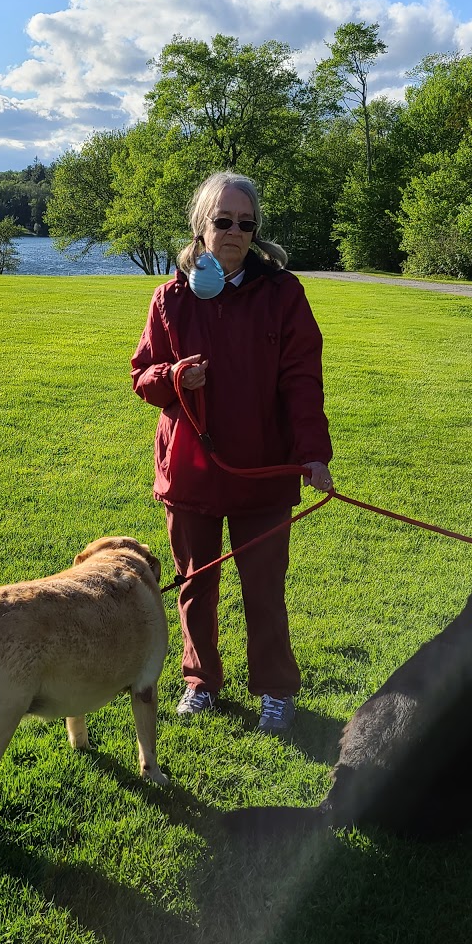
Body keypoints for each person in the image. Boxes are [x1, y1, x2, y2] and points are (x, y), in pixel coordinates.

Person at [130, 171, 334, 732]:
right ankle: (201, 681)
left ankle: (275, 688)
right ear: (201, 226)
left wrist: (313, 453)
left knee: (264, 587)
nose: (236, 232)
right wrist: (175, 376)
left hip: (264, 472)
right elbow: (143, 377)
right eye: (224, 221)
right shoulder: (170, 296)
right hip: (192, 472)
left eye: (247, 223)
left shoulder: (283, 294)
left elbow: (302, 379)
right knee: (196, 582)